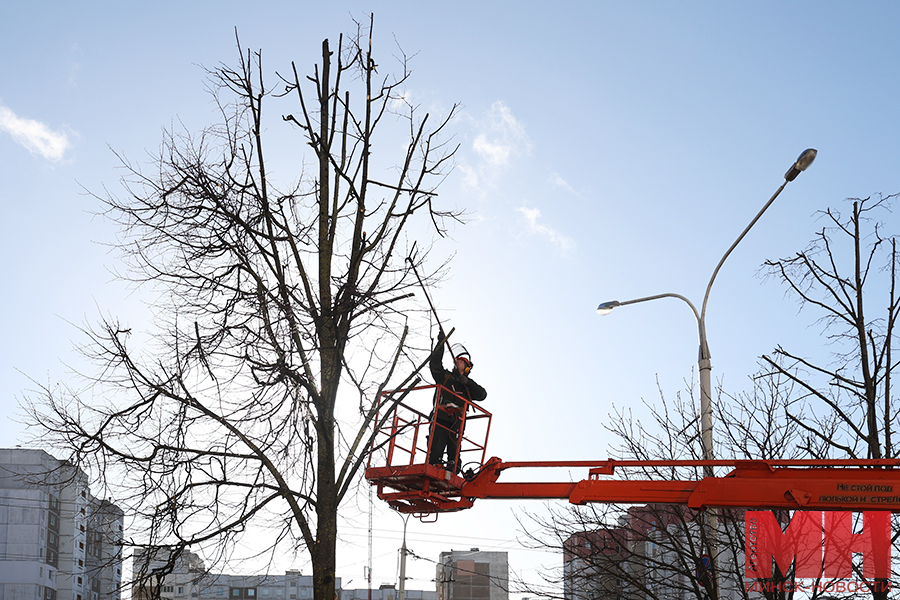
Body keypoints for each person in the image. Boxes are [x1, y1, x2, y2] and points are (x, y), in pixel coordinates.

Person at [428, 332, 487, 472]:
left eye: (460, 361)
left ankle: (453, 469)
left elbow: (483, 394)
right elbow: (435, 364)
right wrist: (440, 344)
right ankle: (434, 466)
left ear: (466, 367)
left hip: (457, 424)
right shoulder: (445, 378)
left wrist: (468, 383)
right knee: (436, 449)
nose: (457, 361)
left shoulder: (467, 387)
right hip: (440, 420)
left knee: (454, 455)